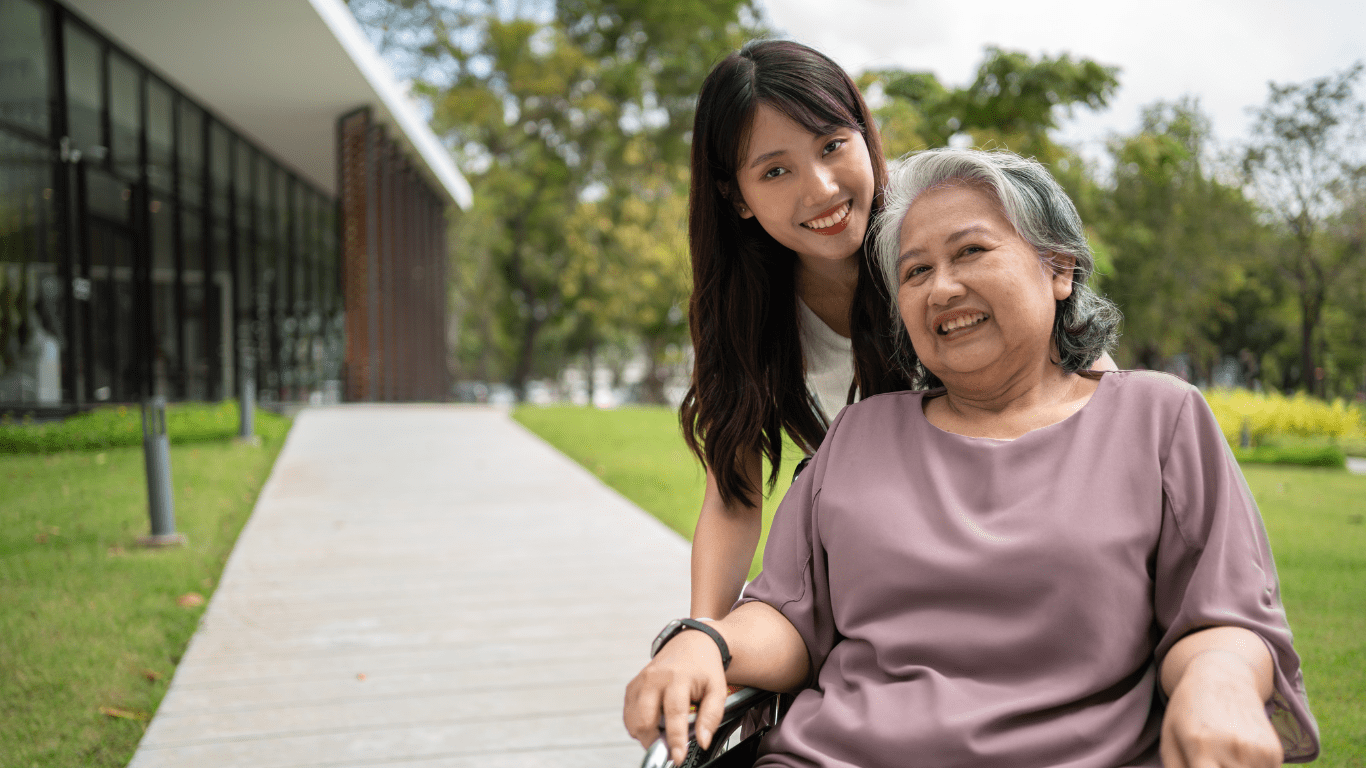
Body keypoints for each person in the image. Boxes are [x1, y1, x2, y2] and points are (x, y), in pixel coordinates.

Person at [627, 148, 1319, 768]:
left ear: (1058, 268)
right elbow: (786, 616)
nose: (942, 288)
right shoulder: (860, 436)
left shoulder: (1159, 419)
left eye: (971, 252)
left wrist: (1219, 684)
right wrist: (705, 640)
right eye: (916, 271)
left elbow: (1221, 616)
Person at [679, 39, 907, 621]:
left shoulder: (934, 231)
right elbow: (734, 500)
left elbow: (1078, 374)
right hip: (881, 574)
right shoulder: (743, 310)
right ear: (738, 198)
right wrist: (703, 631)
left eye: (833, 145)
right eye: (776, 170)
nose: (823, 189)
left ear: (864, 133)